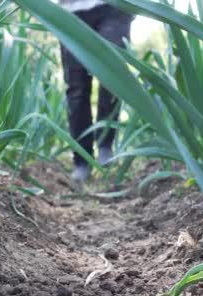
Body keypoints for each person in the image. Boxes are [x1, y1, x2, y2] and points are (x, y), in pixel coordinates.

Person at [57, 0, 134, 182]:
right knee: (77, 88)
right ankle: (81, 160)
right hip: (70, 12)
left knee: (112, 75)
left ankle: (105, 143)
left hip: (115, 7)